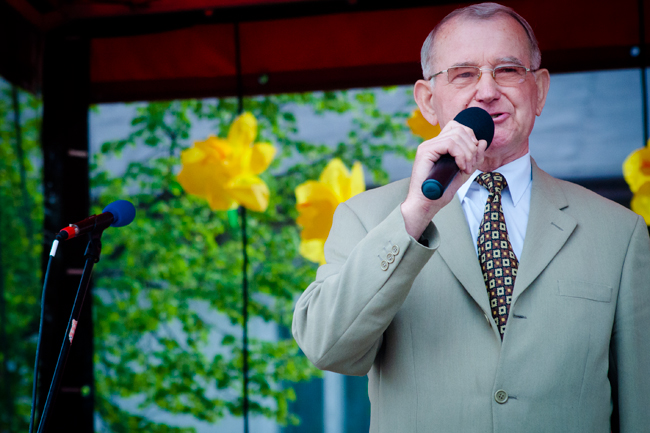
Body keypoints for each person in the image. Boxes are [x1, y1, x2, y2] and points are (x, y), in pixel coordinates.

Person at [292, 2, 650, 432]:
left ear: (539, 90)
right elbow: (327, 348)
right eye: (463, 74)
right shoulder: (366, 216)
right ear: (428, 101)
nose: (487, 91)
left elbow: (641, 405)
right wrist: (415, 215)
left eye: (508, 70)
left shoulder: (619, 232)